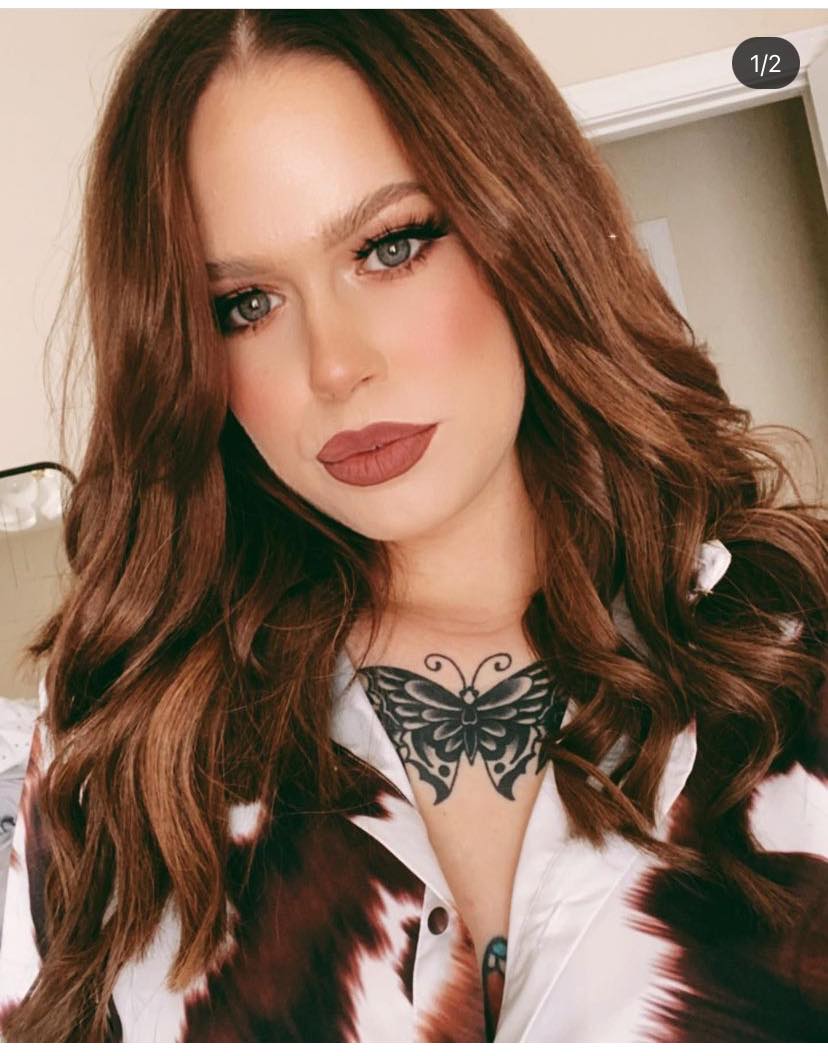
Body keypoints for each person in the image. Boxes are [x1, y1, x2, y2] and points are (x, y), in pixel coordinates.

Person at [0, 10, 826, 1043]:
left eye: (390, 247)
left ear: (529, 228)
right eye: (245, 304)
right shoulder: (117, 749)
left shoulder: (795, 652)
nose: (335, 365)